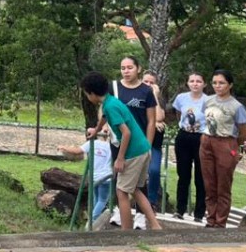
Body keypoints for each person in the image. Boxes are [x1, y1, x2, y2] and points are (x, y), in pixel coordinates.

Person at [82, 71, 162, 231]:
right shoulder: (110, 102)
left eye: (86, 94)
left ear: (91, 93)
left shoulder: (111, 106)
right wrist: (96, 129)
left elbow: (126, 133)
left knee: (122, 192)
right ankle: (155, 225)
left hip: (133, 152)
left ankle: (126, 233)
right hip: (143, 149)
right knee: (136, 189)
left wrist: (120, 158)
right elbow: (104, 117)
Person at [199, 69, 246, 228]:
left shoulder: (236, 106)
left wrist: (235, 147)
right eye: (215, 83)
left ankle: (220, 222)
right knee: (209, 184)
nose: (218, 86)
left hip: (226, 142)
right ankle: (210, 219)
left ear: (230, 85)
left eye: (221, 83)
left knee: (223, 184)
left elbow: (244, 132)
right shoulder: (207, 101)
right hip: (207, 140)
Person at [58, 124, 114, 224]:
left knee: (97, 199)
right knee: (102, 200)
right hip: (106, 177)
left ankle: (92, 219)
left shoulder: (92, 143)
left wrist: (64, 147)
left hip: (94, 176)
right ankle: (92, 221)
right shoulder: (111, 146)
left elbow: (77, 151)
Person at [170, 72, 208, 222]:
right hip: (184, 136)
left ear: (204, 84)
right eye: (192, 81)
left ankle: (199, 212)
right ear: (187, 83)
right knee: (183, 174)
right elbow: (179, 114)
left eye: (198, 81)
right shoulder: (181, 98)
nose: (195, 84)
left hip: (201, 137)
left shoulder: (209, 100)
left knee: (201, 176)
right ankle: (180, 209)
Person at [141, 71, 167, 210]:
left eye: (152, 82)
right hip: (138, 143)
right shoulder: (137, 97)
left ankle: (152, 201)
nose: (149, 85)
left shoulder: (158, 99)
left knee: (154, 171)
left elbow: (159, 116)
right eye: (146, 82)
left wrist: (155, 96)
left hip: (154, 145)